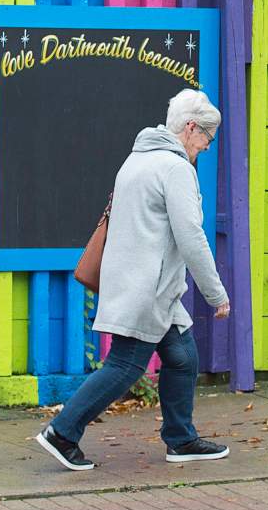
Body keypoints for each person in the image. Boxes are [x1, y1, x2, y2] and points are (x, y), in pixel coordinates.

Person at [37, 89, 231, 471]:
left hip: (141, 283)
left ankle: (181, 440)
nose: (208, 147)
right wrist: (216, 293)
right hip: (148, 288)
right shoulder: (175, 169)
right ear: (191, 128)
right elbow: (191, 236)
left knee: (181, 356)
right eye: (207, 137)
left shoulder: (137, 160)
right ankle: (62, 432)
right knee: (125, 365)